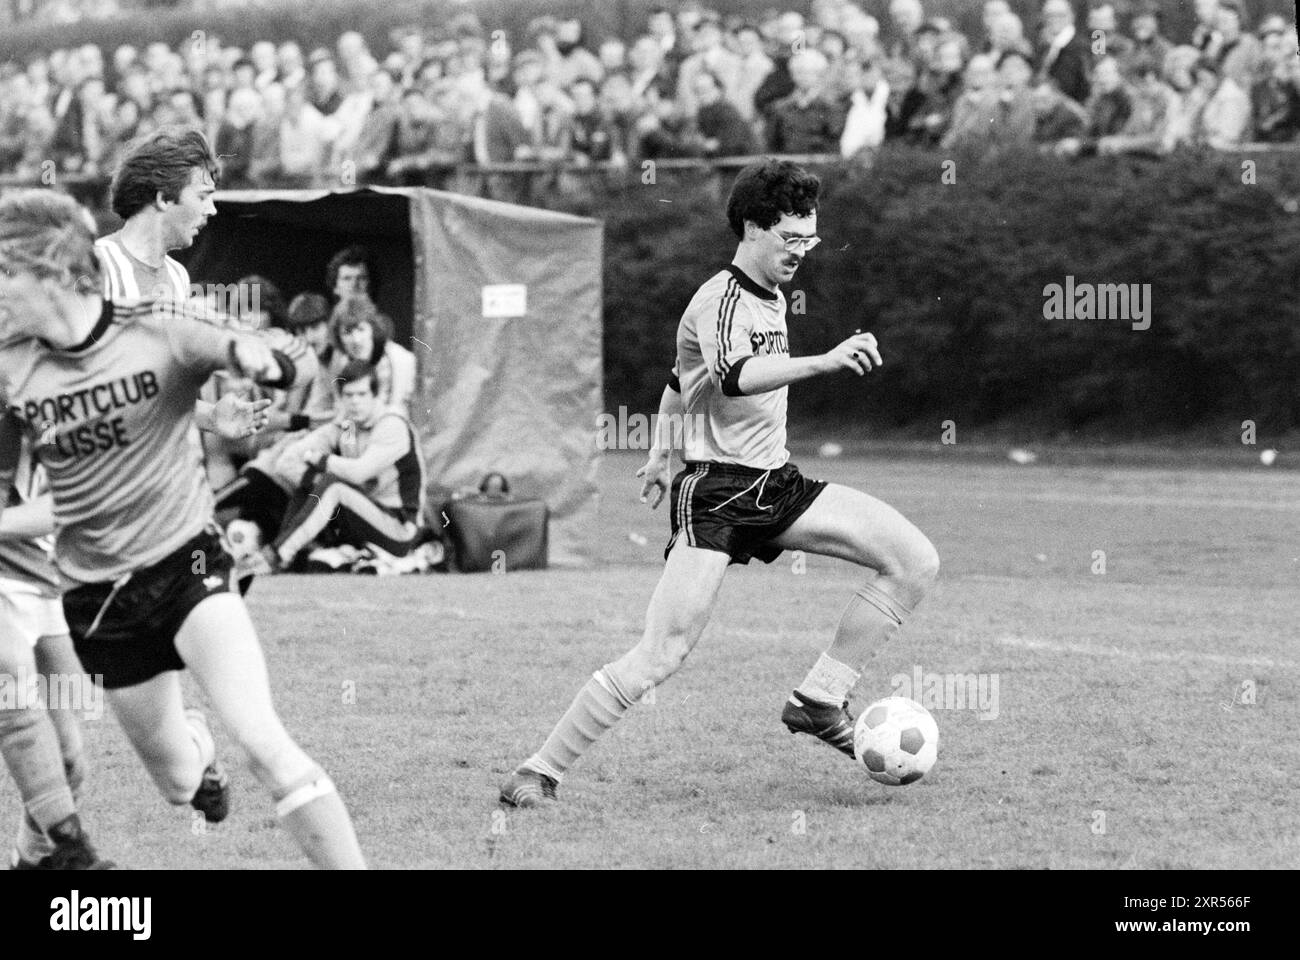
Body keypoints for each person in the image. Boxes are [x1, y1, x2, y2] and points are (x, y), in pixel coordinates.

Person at [499, 160, 939, 807]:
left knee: (914, 560)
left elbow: (681, 381)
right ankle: (538, 770)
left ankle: (819, 699)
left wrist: (657, 449)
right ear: (753, 228)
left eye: (809, 238)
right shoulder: (721, 298)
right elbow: (731, 376)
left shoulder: (769, 295)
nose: (802, 251)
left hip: (775, 484)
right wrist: (823, 361)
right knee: (663, 652)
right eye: (791, 237)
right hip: (717, 496)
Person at [0, 189, 366, 869]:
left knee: (265, 745)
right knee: (176, 783)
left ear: (48, 269)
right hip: (99, 601)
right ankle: (196, 750)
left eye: (2, 272)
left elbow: (286, 353)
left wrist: (263, 360)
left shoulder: (159, 326)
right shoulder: (12, 367)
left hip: (188, 566)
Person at [0, 433, 111, 869]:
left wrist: (209, 418)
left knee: (68, 760)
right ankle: (74, 851)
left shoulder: (46, 401)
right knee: (12, 678)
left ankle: (29, 862)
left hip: (43, 578)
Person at [246, 360, 426, 574]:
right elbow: (286, 462)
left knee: (333, 486)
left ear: (376, 396)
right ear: (340, 398)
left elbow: (359, 473)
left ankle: (275, 556)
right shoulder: (348, 427)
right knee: (312, 485)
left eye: (362, 394)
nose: (355, 402)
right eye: (349, 395)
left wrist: (322, 460)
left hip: (399, 528)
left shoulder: (391, 424)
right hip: (362, 518)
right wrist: (315, 479)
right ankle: (283, 556)